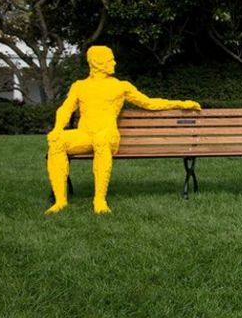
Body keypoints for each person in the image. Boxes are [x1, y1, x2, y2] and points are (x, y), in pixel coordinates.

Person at [46, 46, 201, 214]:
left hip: (108, 135)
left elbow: (149, 103)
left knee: (101, 139)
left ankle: (99, 200)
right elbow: (65, 109)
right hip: (85, 135)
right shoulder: (79, 86)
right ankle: (60, 201)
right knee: (57, 141)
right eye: (110, 59)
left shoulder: (121, 87)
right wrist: (57, 128)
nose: (114, 63)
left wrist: (180, 104)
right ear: (98, 63)